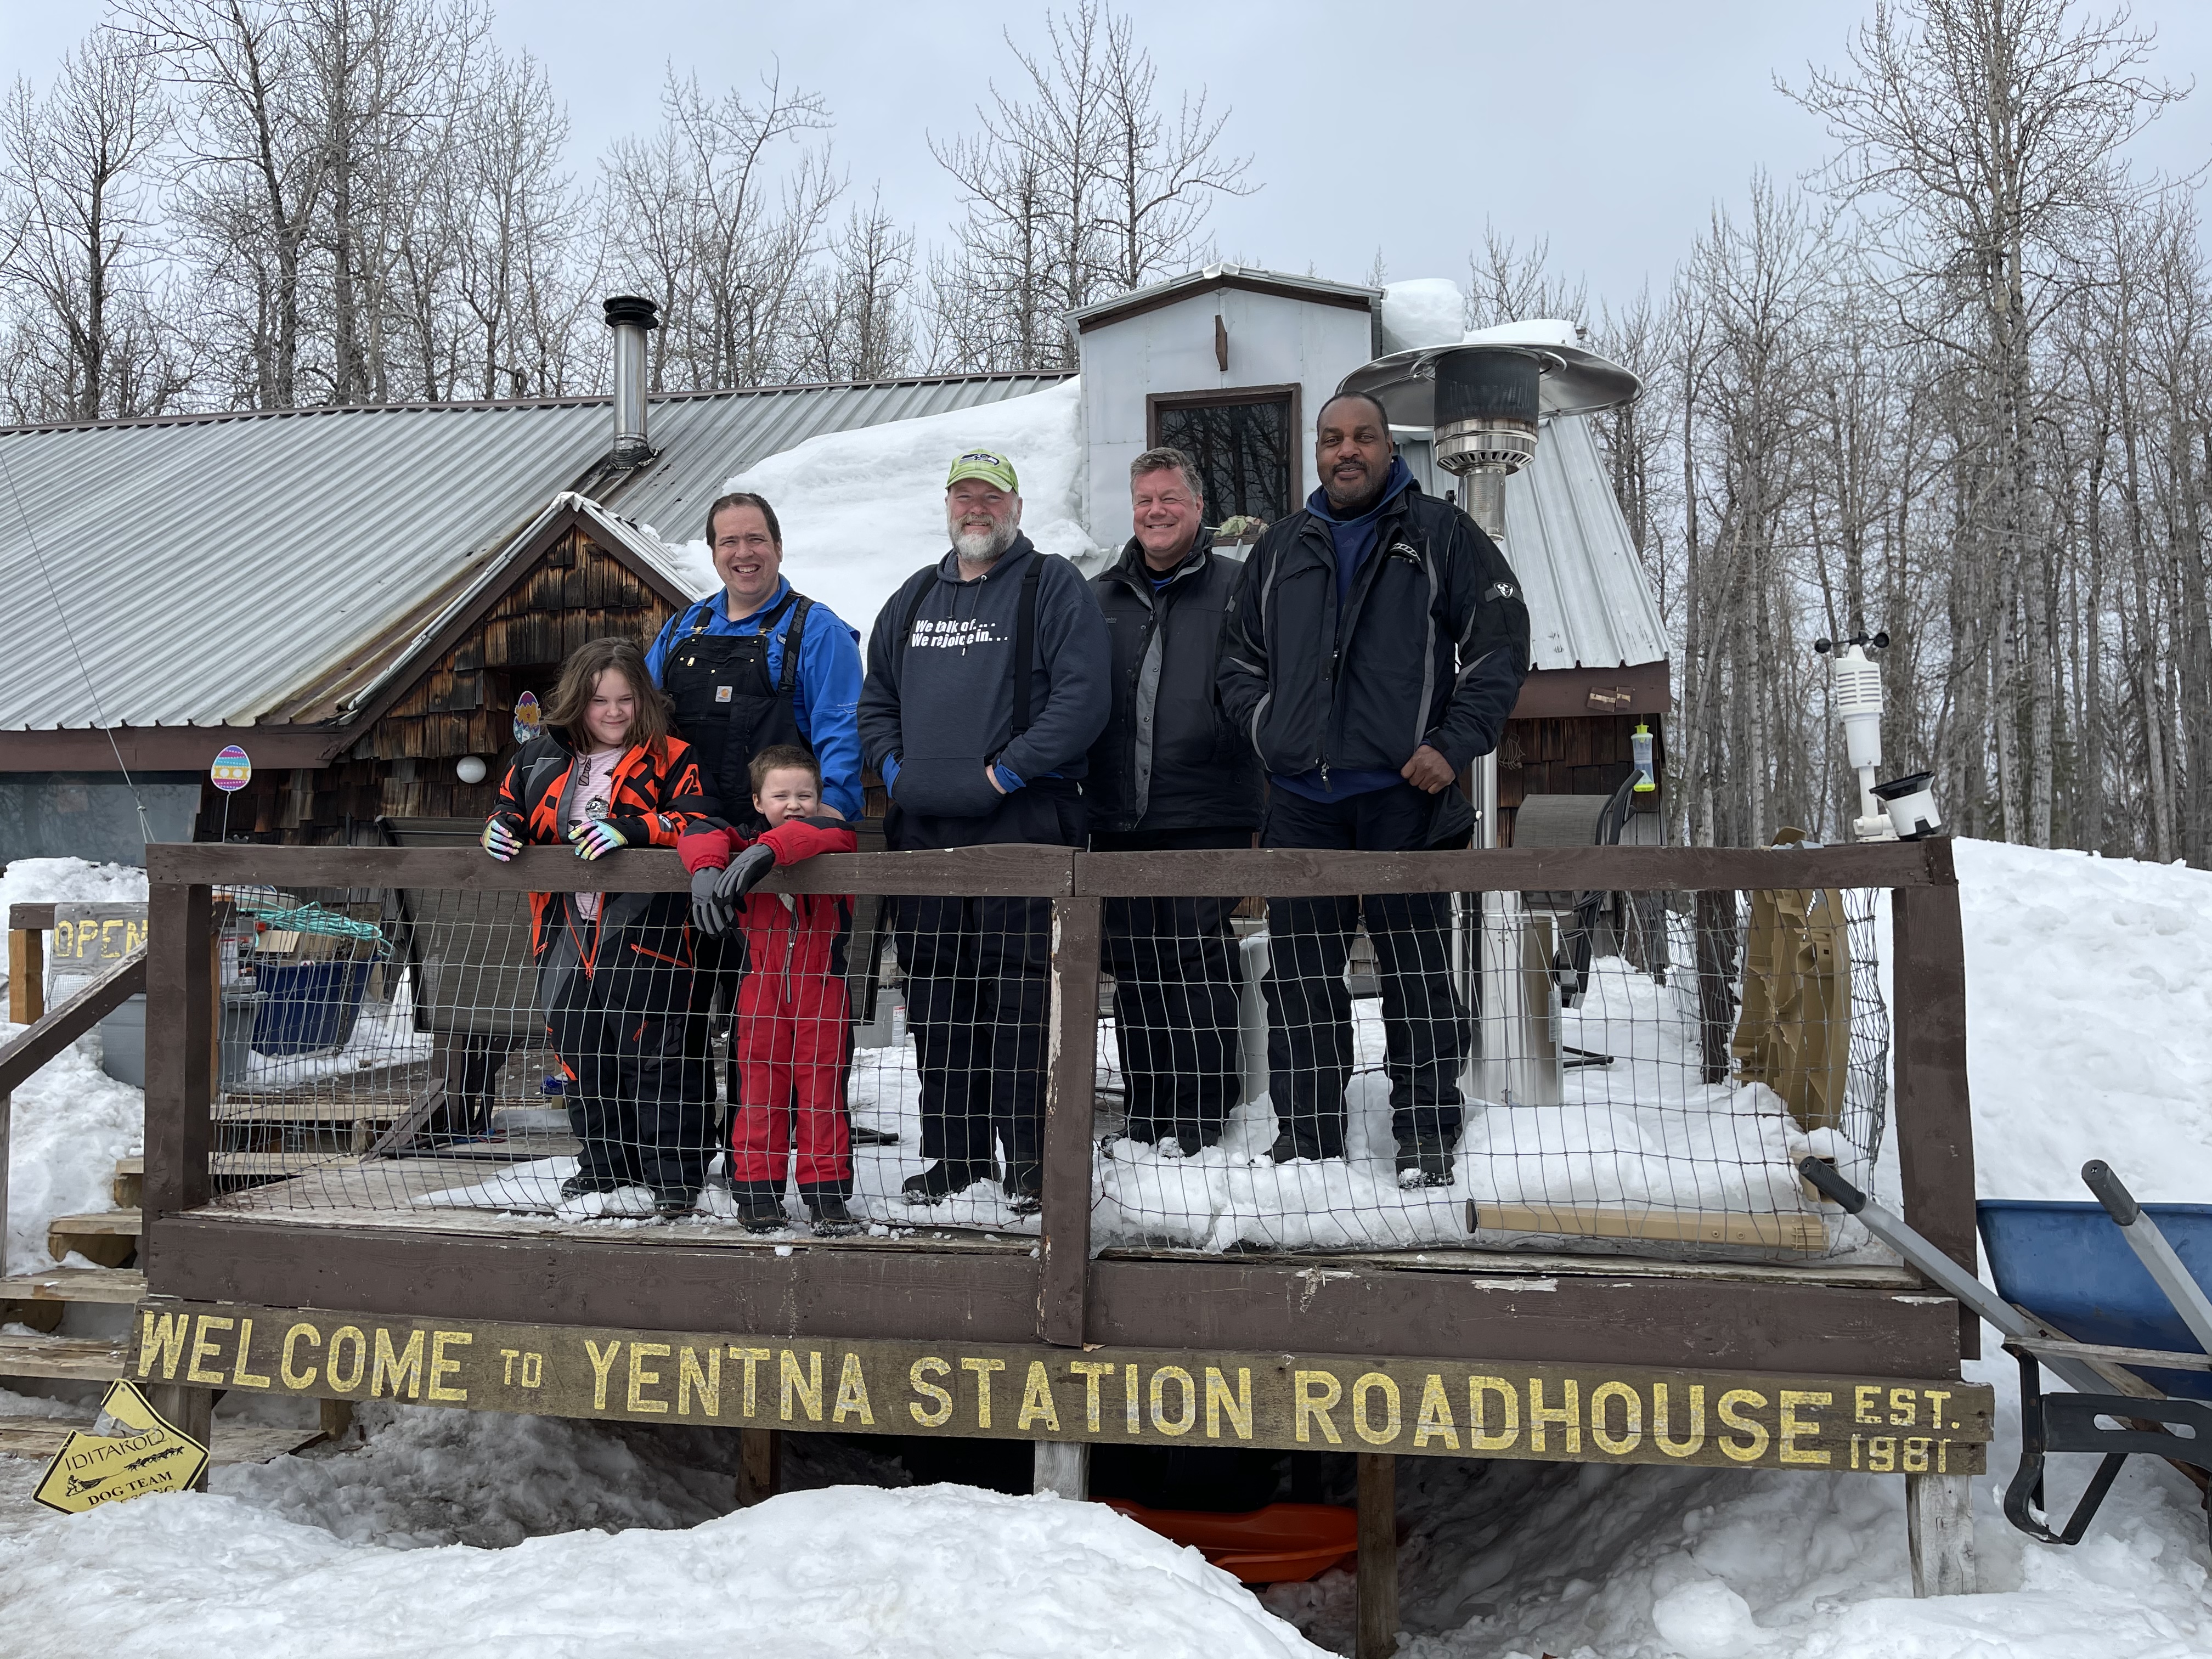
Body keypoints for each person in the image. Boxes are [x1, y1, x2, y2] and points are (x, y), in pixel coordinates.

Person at [1217, 392, 1530, 1186]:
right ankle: (1308, 1143)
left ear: (1391, 449)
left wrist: (1452, 745)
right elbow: (1238, 662)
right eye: (1332, 439)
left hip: (1406, 803)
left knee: (1417, 979)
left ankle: (1425, 1138)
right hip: (1302, 805)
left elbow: (1498, 646)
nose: (1345, 451)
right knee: (1299, 984)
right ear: (1317, 452)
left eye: (1362, 437)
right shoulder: (1282, 547)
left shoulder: (1440, 533)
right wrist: (1270, 734)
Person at [857, 449, 1110, 1211]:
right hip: (925, 830)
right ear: (948, 507)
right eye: (963, 496)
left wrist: (1005, 774)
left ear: (1016, 508)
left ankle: (1032, 1159)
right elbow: (876, 704)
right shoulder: (913, 597)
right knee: (938, 999)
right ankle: (955, 1158)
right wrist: (897, 773)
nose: (976, 508)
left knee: (1023, 997)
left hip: (1022, 820)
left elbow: (1082, 700)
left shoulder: (1051, 585)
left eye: (991, 497)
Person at [645, 490, 866, 1148]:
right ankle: (683, 1155)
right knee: (676, 1008)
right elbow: (643, 727)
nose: (744, 554)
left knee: (765, 1021)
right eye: (729, 542)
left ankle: (758, 1156)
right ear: (713, 553)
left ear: (778, 546)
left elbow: (841, 733)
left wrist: (824, 823)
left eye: (755, 540)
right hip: (688, 848)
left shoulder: (815, 630)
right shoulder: (681, 631)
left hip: (773, 863)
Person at [482, 635, 709, 1215]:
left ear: (644, 701)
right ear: (576, 701)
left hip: (646, 932)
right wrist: (499, 828)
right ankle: (604, 1169)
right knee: (582, 1056)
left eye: (625, 700)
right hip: (561, 932)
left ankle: (673, 1177)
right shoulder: (537, 758)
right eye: (598, 700)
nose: (612, 713)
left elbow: (699, 822)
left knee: (656, 1057)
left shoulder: (674, 756)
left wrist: (633, 830)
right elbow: (507, 807)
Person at [1086, 446, 1262, 1153]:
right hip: (1118, 814)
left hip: (1206, 808)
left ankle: (1201, 1117)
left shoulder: (1239, 588)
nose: (1155, 511)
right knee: (1133, 967)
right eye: (1144, 500)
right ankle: (1147, 1113)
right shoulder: (1099, 597)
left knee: (1195, 959)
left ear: (1198, 507)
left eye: (1169, 499)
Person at [680, 745, 860, 1237]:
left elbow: (827, 833)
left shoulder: (835, 837)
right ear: (758, 801)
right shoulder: (740, 840)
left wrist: (770, 850)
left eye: (805, 795)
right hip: (759, 987)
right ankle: (757, 1192)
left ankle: (827, 1196)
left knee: (823, 1093)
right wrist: (707, 867)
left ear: (820, 797)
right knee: (758, 1092)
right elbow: (699, 830)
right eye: (781, 796)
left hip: (822, 986)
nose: (794, 804)